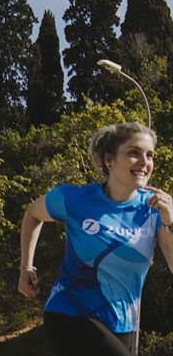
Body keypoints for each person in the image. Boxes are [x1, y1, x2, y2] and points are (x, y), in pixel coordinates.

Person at [18, 122, 173, 356]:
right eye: (134, 153)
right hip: (70, 312)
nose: (144, 162)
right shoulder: (75, 199)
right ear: (109, 160)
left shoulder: (154, 208)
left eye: (149, 155)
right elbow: (32, 214)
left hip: (123, 323)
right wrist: (26, 267)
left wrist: (171, 223)